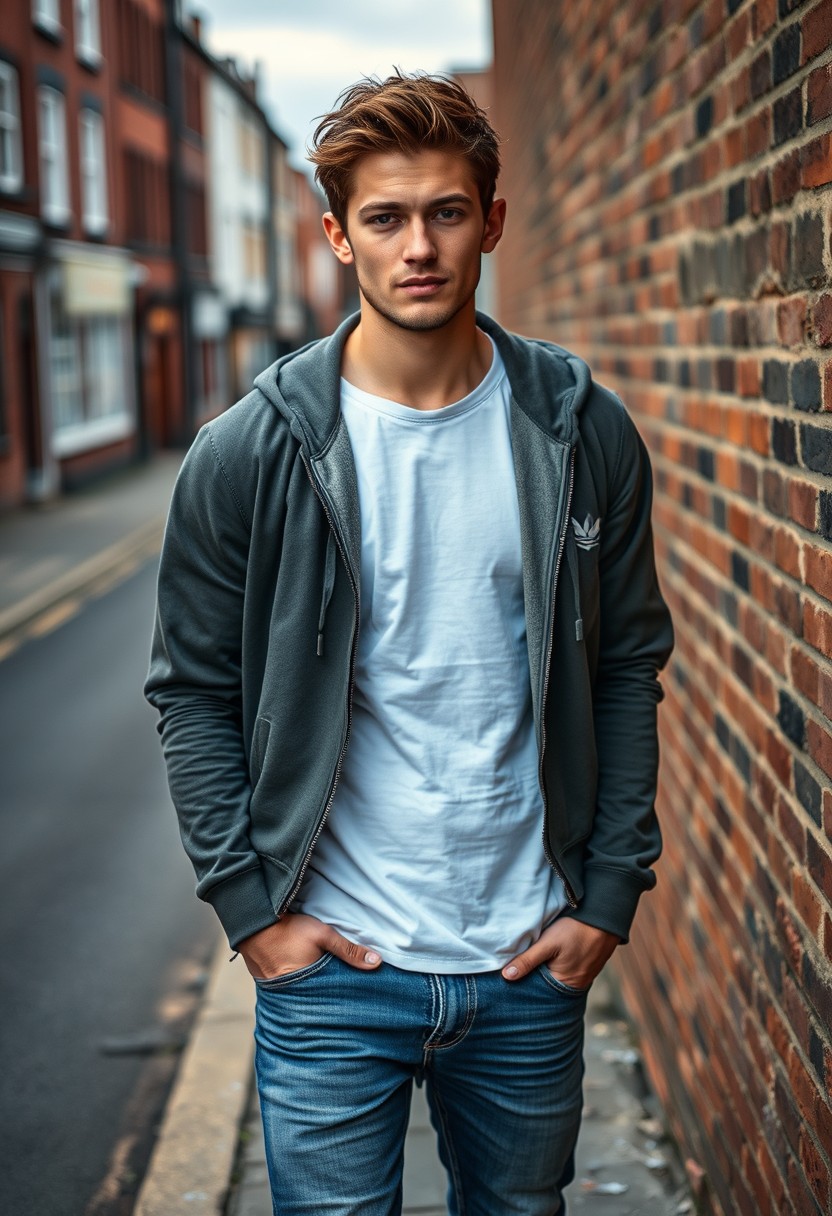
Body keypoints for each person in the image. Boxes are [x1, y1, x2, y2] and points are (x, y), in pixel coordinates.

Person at [145, 70, 674, 1216]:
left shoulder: (582, 433)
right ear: (338, 235)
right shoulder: (247, 454)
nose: (418, 246)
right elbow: (193, 689)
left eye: (445, 212)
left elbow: (628, 662)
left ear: (491, 219)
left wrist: (607, 899)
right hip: (332, 968)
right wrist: (253, 911)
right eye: (383, 217)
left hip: (529, 953)